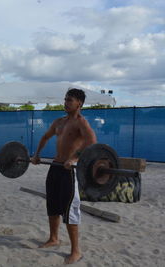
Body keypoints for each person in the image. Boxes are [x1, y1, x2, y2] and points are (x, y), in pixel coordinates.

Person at [31, 88, 97, 264]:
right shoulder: (59, 122)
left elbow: (92, 144)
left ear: (79, 103)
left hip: (70, 171)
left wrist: (75, 158)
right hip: (55, 167)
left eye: (69, 100)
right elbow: (45, 137)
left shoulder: (81, 123)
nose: (65, 102)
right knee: (52, 204)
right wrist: (37, 155)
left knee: (70, 209)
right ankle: (54, 238)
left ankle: (76, 251)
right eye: (65, 99)